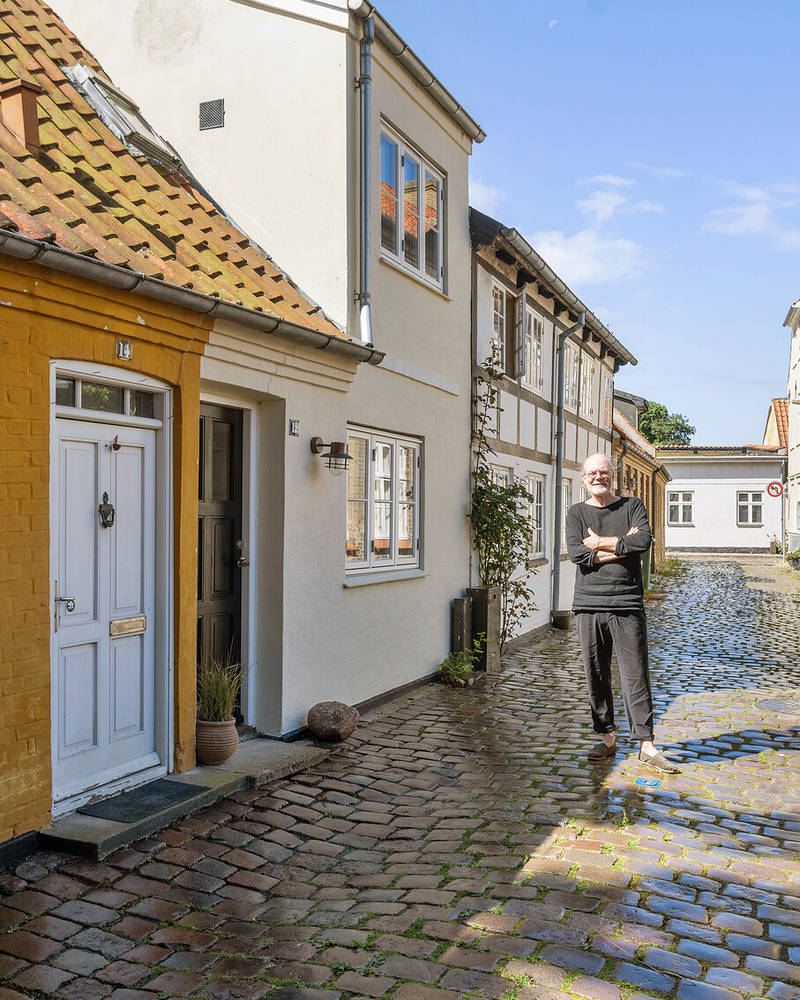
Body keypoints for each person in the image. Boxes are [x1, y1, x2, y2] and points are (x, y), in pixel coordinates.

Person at [565, 452, 679, 773]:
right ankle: (607, 738)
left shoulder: (632, 506)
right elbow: (577, 554)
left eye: (603, 472)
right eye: (592, 473)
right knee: (596, 675)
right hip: (589, 604)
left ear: (612, 475)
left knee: (635, 675)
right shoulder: (576, 513)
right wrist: (621, 547)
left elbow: (642, 541)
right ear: (584, 478)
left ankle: (646, 745)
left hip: (627, 603)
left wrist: (599, 542)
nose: (598, 477)